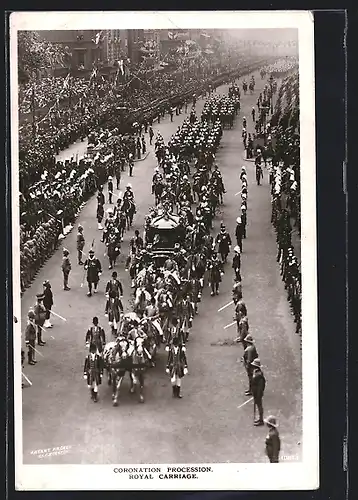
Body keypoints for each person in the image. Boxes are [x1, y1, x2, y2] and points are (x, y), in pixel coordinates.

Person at [251, 358, 266, 426]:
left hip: (258, 393)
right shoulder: (256, 371)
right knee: (258, 405)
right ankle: (260, 419)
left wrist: (258, 395)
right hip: (255, 392)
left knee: (259, 406)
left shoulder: (259, 375)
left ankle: (261, 420)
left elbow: (260, 387)